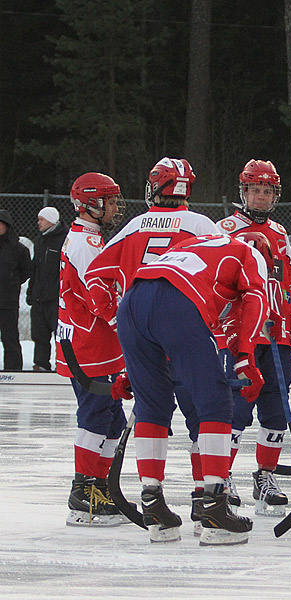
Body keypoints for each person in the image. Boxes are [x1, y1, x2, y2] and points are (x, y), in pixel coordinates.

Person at [84, 157, 224, 525]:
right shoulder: (201, 225)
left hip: (140, 325)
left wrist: (119, 320)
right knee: (205, 411)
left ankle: (152, 496)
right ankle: (205, 496)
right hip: (184, 326)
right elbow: (227, 273)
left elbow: (95, 275)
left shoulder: (134, 225)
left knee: (151, 411)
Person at [116, 233, 269, 545]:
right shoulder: (250, 254)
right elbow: (255, 299)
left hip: (132, 300)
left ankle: (153, 504)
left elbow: (156, 295)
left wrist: (129, 367)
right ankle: (215, 505)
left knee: (152, 406)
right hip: (180, 301)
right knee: (214, 402)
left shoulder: (192, 244)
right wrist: (247, 355)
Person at [216, 159, 291, 516]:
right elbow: (216, 282)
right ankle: (221, 474)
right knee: (237, 407)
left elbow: (288, 286)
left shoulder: (280, 232)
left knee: (276, 410)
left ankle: (265, 475)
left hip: (277, 336)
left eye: (267, 190)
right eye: (254, 189)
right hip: (242, 335)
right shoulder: (224, 229)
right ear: (243, 191)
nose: (260, 196)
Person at [56, 173, 131, 526]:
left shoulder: (93, 238)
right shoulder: (84, 243)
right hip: (88, 347)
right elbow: (99, 296)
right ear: (91, 204)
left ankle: (100, 484)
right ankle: (82, 491)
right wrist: (129, 328)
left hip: (99, 345)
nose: (116, 207)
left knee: (111, 415)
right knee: (95, 413)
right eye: (110, 201)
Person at [26, 206, 66, 372]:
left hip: (55, 297)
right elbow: (35, 269)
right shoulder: (39, 241)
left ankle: (62, 365)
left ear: (51, 220)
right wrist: (31, 291)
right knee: (39, 334)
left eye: (42, 219)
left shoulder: (64, 239)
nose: (39, 223)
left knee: (59, 335)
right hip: (39, 297)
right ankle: (40, 364)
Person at [0, 209, 31, 371]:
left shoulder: (18, 249)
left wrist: (12, 282)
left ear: (7, 226)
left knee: (10, 338)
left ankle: (13, 370)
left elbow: (26, 271)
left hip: (8, 302)